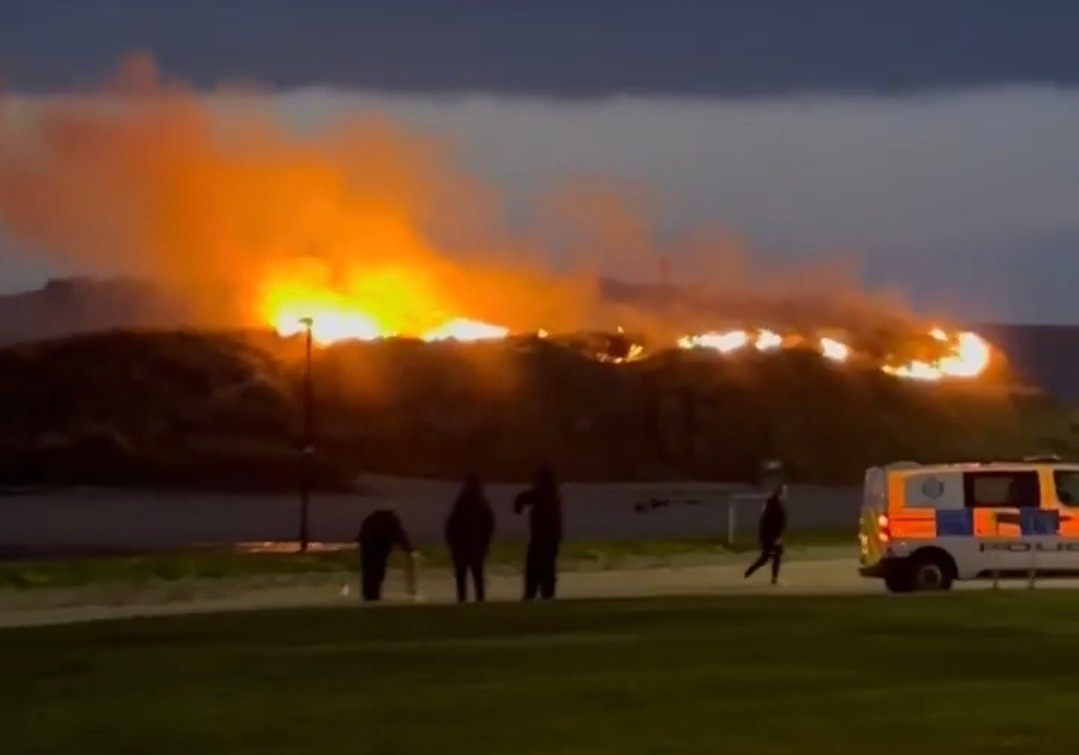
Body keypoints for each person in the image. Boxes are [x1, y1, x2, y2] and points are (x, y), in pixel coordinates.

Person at [514, 464, 564, 600]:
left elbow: (526, 496)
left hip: (540, 539)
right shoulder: (553, 495)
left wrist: (518, 505)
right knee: (547, 569)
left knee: (533, 569)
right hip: (551, 539)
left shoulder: (542, 493)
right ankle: (546, 594)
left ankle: (532, 594)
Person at [445, 473, 496, 602]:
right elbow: (490, 525)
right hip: (476, 546)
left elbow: (450, 526)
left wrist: (453, 544)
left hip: (461, 546)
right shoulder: (482, 504)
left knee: (461, 578)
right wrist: (485, 543)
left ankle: (462, 600)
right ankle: (480, 600)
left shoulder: (460, 504)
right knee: (477, 576)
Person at [355, 505, 414, 602]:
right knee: (377, 573)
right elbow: (400, 535)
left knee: (368, 574)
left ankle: (369, 597)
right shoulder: (389, 519)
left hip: (368, 550)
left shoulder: (371, 519)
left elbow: (362, 536)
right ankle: (373, 596)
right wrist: (408, 548)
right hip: (380, 550)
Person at [743, 481, 788, 585]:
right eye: (784, 492)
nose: (785, 494)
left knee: (774, 556)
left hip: (771, 534)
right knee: (768, 556)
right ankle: (751, 571)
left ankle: (772, 578)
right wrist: (775, 537)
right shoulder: (774, 503)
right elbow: (771, 521)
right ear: (780, 492)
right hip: (769, 535)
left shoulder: (776, 503)